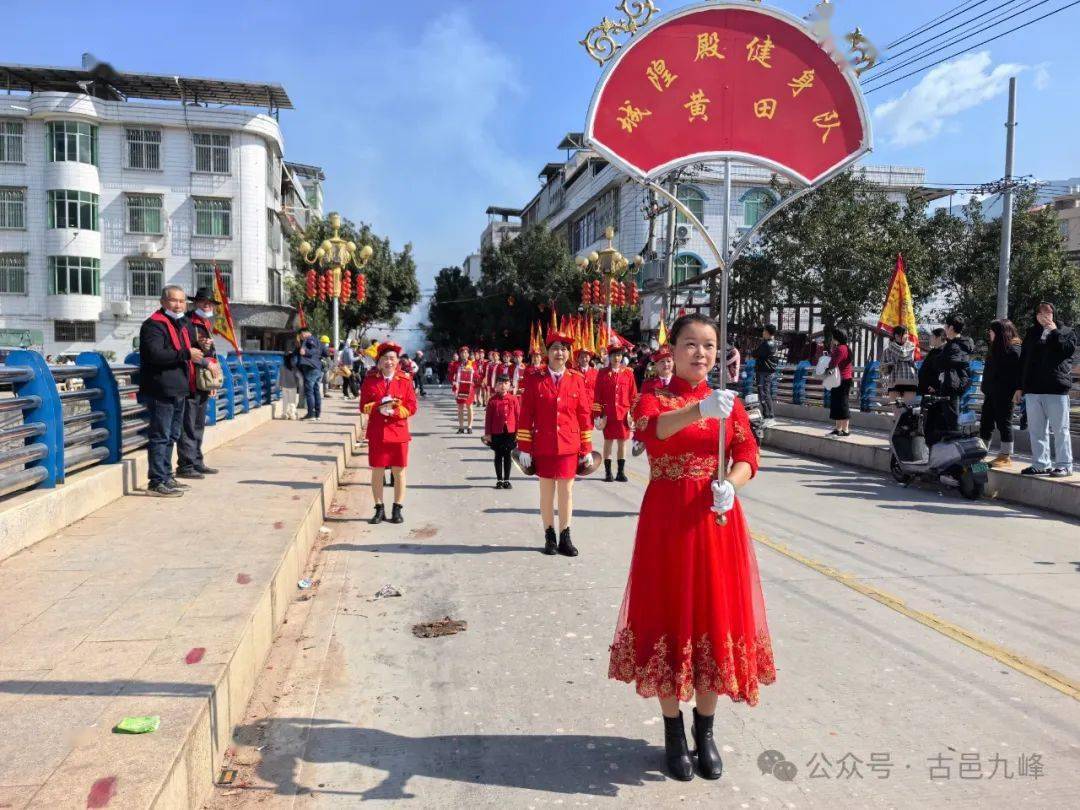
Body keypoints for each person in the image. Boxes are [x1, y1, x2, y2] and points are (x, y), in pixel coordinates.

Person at [608, 313, 774, 782]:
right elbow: (654, 432)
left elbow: (747, 454)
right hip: (667, 520)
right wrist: (701, 410)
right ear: (673, 350)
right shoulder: (654, 397)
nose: (701, 353)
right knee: (667, 614)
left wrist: (732, 484)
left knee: (711, 616)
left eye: (709, 345)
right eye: (691, 344)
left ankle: (706, 729)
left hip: (715, 520)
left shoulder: (729, 404)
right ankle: (673, 732)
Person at [516, 331, 593, 556]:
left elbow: (584, 415)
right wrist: (524, 447)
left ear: (568, 354)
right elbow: (526, 414)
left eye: (564, 349)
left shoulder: (576, 379)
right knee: (547, 492)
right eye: (555, 349)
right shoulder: (535, 378)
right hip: (544, 444)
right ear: (547, 353)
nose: (560, 353)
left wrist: (586, 449)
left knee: (566, 492)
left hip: (569, 445)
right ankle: (549, 535)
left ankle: (565, 536)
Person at [139, 285, 204, 497]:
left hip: (179, 389)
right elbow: (155, 354)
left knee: (173, 435)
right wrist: (186, 354)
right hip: (161, 389)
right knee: (160, 435)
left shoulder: (181, 324)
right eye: (174, 300)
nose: (178, 305)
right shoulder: (153, 325)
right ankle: (156, 481)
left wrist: (200, 346)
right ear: (163, 302)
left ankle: (166, 476)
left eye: (182, 301)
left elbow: (188, 349)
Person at [360, 342, 419, 524]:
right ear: (379, 361)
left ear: (397, 361)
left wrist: (396, 411)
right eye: (385, 358)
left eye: (392, 358)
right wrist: (379, 406)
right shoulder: (370, 380)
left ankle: (397, 508)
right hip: (378, 432)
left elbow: (412, 406)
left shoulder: (405, 380)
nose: (389, 362)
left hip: (398, 432)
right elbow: (363, 406)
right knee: (377, 471)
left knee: (399, 471)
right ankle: (379, 509)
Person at [1016, 301, 1075, 477]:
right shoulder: (1032, 333)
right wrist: (1020, 387)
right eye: (1040, 313)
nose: (1044, 316)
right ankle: (1041, 463)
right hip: (1033, 389)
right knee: (1036, 430)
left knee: (1060, 430)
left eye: (1048, 313)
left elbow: (1067, 350)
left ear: (1054, 314)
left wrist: (1054, 331)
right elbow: (1024, 360)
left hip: (1056, 388)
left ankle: (1065, 465)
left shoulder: (1066, 331)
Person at [176, 288, 220, 480]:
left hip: (202, 381)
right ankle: (186, 465)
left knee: (198, 424)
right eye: (203, 302)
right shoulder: (186, 322)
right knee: (188, 425)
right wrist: (204, 358)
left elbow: (209, 353)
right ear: (195, 303)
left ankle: (196, 461)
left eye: (210, 303)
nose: (207, 305)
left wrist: (212, 384)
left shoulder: (204, 323)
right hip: (190, 381)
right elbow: (185, 351)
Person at [594, 341, 639, 482]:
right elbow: (597, 395)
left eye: (619, 355)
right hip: (608, 414)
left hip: (623, 414)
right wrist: (597, 415)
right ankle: (608, 473)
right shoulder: (602, 373)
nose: (616, 358)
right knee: (608, 442)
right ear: (609, 356)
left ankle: (620, 472)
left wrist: (633, 414)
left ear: (622, 357)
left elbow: (633, 395)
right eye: (614, 355)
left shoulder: (628, 373)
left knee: (622, 443)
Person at [981, 319, 1023, 468]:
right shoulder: (996, 348)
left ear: (1000, 333)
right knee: (986, 423)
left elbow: (1017, 375)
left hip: (1005, 394)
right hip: (991, 392)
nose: (990, 333)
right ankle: (981, 454)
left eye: (992, 331)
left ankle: (1005, 456)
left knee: (1004, 423)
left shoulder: (1014, 350)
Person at [484, 373, 520, 489]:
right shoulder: (492, 400)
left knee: (508, 456)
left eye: (506, 383)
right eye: (500, 383)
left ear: (510, 385)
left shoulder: (514, 399)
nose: (503, 386)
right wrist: (488, 434)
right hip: (497, 432)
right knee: (498, 456)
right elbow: (488, 419)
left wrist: (519, 433)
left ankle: (507, 480)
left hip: (510, 432)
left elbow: (518, 416)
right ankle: (499, 480)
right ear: (496, 385)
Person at [880, 325, 919, 402]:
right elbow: (883, 371)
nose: (907, 336)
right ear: (896, 336)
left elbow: (903, 355)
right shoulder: (887, 351)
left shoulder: (911, 347)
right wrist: (889, 366)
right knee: (896, 408)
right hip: (894, 381)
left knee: (908, 407)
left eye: (907, 334)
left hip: (910, 381)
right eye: (905, 334)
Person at [826, 328, 854, 437]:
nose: (832, 339)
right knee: (838, 403)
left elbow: (832, 364)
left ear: (837, 338)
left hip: (841, 380)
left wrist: (831, 352)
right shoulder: (845, 348)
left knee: (842, 404)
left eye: (833, 337)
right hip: (844, 379)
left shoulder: (840, 349)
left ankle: (845, 430)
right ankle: (838, 428)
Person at [752, 324, 779, 428]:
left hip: (764, 371)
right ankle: (767, 415)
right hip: (767, 371)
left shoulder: (767, 344)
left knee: (763, 393)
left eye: (764, 331)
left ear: (767, 332)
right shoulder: (773, 343)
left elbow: (755, 353)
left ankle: (769, 416)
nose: (763, 333)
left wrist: (755, 352)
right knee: (765, 392)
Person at [297, 327, 325, 421]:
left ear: (304, 333)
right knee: (316, 391)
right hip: (317, 368)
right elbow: (325, 352)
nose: (301, 338)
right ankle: (317, 414)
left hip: (310, 368)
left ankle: (311, 414)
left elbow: (314, 350)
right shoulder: (318, 341)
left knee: (309, 392)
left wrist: (305, 352)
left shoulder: (309, 339)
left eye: (301, 336)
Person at [452, 346, 478, 433]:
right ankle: (461, 427)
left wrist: (472, 371)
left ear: (468, 354)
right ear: (460, 354)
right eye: (462, 353)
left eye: (466, 353)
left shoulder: (472, 363)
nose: (464, 354)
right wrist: (454, 383)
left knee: (469, 407)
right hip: (459, 388)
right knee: (460, 407)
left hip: (469, 388)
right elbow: (451, 375)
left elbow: (477, 375)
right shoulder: (456, 364)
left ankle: (469, 427)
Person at [281, 344, 302, 420]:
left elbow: (279, 377)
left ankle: (284, 414)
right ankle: (292, 414)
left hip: (284, 386)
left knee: (285, 400)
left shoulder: (283, 367)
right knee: (292, 401)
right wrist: (301, 384)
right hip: (293, 386)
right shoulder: (294, 368)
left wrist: (279, 384)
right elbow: (299, 377)